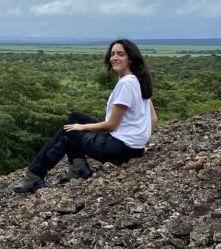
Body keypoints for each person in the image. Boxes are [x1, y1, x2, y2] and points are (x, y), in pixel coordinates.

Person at [13, 38, 158, 194]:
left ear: (131, 58)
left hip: (120, 148)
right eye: (112, 54)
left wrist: (82, 127)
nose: (114, 58)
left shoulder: (126, 84)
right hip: (132, 147)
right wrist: (139, 142)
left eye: (120, 54)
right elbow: (153, 119)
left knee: (68, 131)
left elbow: (111, 125)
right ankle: (78, 168)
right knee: (75, 117)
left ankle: (34, 176)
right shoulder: (139, 80)